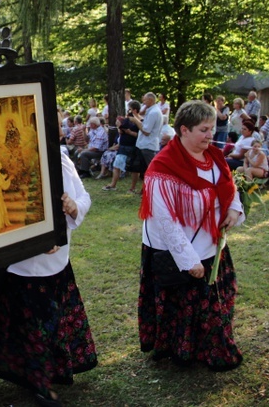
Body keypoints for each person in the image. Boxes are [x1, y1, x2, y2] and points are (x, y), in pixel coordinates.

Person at [0, 152, 97, 406]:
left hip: (57, 262)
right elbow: (9, 210)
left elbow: (83, 196)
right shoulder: (16, 163)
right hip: (24, 266)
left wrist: (74, 206)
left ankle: (45, 375)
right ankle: (38, 382)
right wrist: (37, 241)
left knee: (50, 322)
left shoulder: (61, 157)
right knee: (27, 323)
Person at [138, 99, 244, 371]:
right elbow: (165, 221)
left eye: (212, 128)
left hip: (211, 245)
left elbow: (227, 187)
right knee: (183, 304)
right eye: (204, 129)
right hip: (177, 250)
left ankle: (208, 346)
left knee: (214, 302)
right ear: (184, 130)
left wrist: (233, 210)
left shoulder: (215, 158)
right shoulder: (162, 168)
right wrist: (188, 259)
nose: (211, 135)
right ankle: (182, 349)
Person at [128, 92, 164, 194]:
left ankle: (152, 190)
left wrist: (135, 120)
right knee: (144, 170)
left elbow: (146, 131)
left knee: (151, 169)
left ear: (151, 100)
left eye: (145, 100)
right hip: (145, 144)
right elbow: (145, 124)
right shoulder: (152, 111)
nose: (143, 102)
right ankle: (144, 189)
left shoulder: (154, 112)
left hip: (148, 145)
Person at [102, 101, 140, 191]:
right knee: (117, 165)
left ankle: (132, 187)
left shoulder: (140, 121)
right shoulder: (127, 120)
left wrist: (130, 132)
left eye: (129, 109)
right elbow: (121, 129)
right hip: (123, 146)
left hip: (133, 147)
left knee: (134, 168)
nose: (128, 111)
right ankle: (113, 184)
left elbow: (140, 134)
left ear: (134, 110)